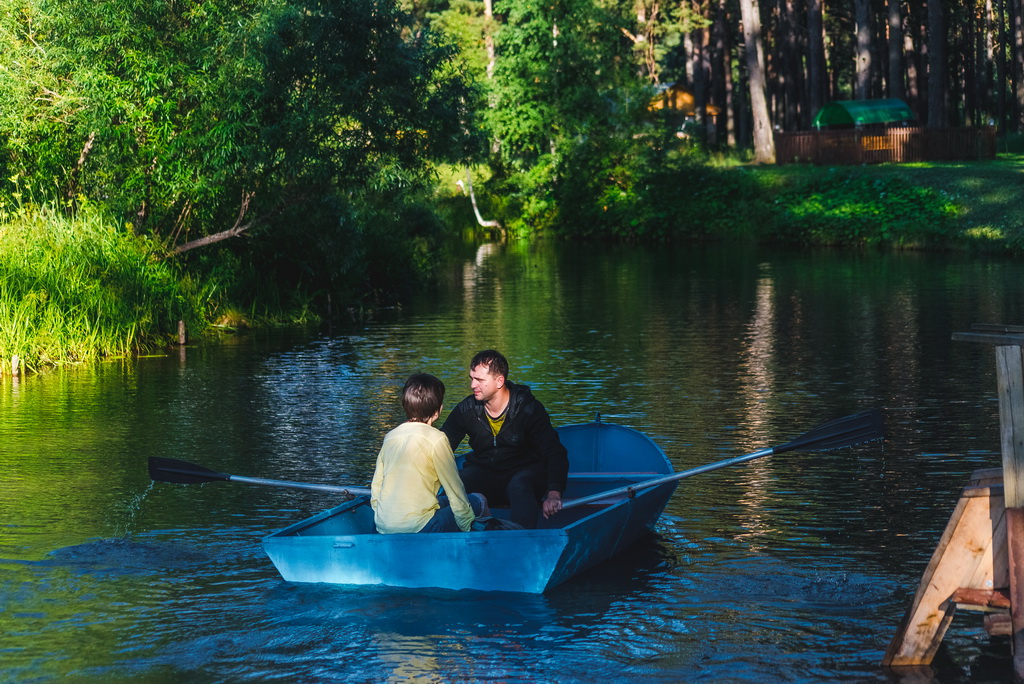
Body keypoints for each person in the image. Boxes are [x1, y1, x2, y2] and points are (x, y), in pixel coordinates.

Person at [440, 350, 569, 529]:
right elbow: (440, 448)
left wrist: (554, 493)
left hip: (524, 473)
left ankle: (520, 542)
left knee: (520, 486)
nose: (472, 385)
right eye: (472, 378)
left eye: (479, 380)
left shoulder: (528, 409)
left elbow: (554, 452)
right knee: (458, 483)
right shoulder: (467, 409)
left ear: (499, 381)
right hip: (485, 474)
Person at [371, 373, 487, 534]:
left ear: (405, 406)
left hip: (383, 526)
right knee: (479, 500)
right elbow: (454, 490)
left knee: (440, 502)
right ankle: (478, 552)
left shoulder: (390, 437)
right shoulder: (437, 439)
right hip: (421, 528)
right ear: (438, 410)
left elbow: (377, 487)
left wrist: (383, 518)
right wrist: (467, 526)